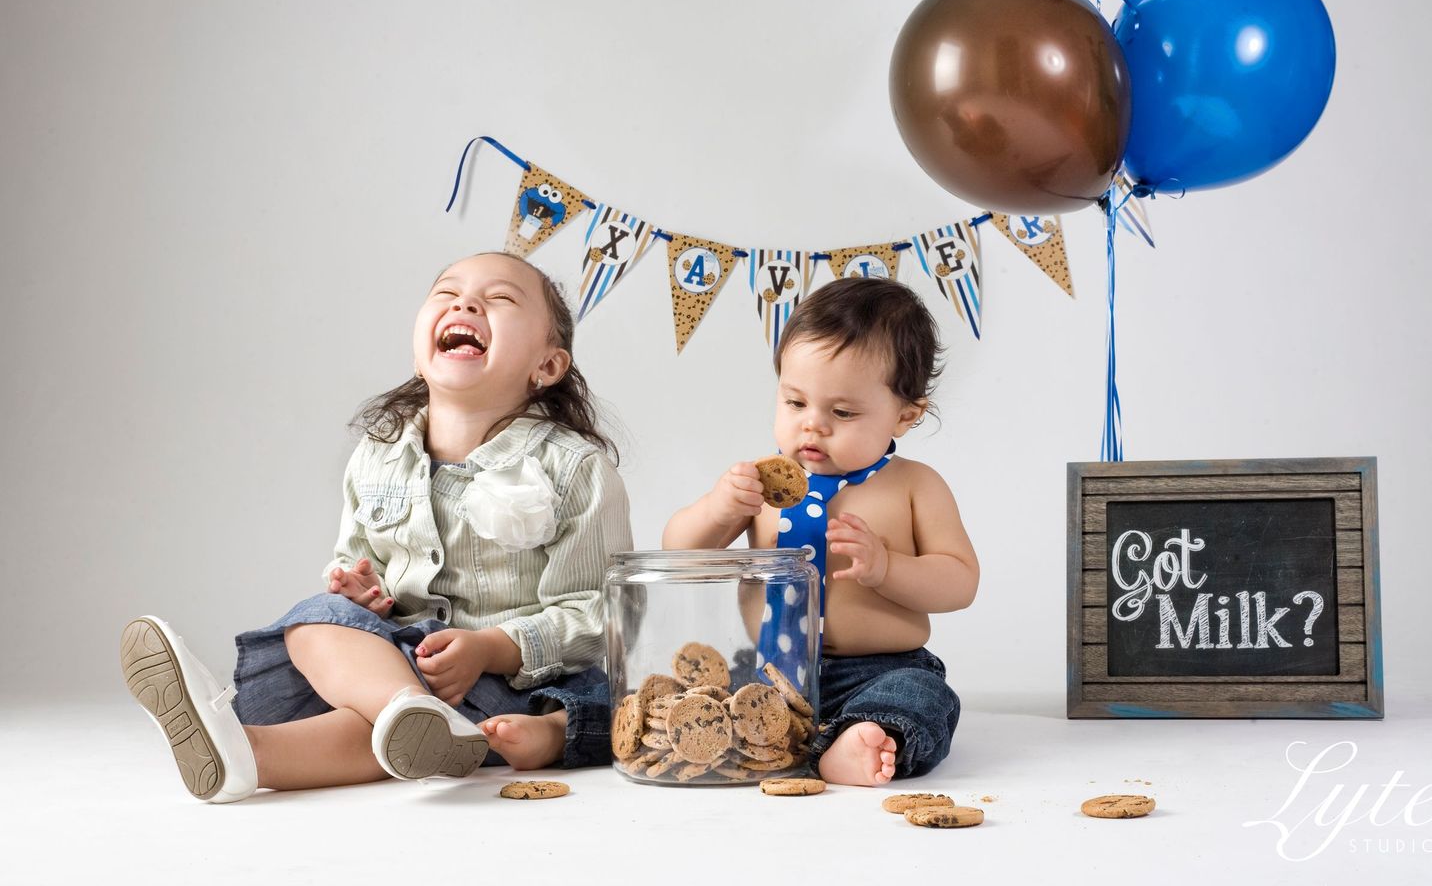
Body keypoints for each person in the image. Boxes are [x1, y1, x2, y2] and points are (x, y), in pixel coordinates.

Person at [120, 251, 631, 802]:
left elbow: (598, 613)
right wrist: (365, 593)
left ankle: (254, 751)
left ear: (548, 367)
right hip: (391, 669)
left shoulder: (573, 469)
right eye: (446, 292)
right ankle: (298, 741)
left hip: (504, 684)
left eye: (501, 298)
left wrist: (490, 648)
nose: (466, 302)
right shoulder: (378, 455)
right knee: (314, 620)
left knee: (391, 723)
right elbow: (357, 558)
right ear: (419, 353)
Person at [663, 277, 978, 786]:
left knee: (923, 699)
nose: (813, 425)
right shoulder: (759, 485)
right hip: (764, 671)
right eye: (795, 403)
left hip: (876, 670)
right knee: (689, 695)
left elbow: (961, 581)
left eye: (842, 412)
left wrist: (886, 568)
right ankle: (572, 727)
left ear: (906, 414)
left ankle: (856, 739)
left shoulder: (914, 486)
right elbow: (680, 551)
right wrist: (719, 509)